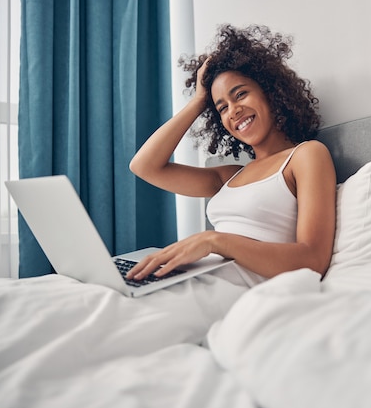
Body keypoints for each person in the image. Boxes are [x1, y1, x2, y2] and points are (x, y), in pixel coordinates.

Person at [127, 24, 336, 287]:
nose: (233, 111)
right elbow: (144, 166)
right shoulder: (228, 176)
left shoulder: (305, 156)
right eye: (222, 107)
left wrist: (213, 240)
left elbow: (313, 259)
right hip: (196, 279)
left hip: (234, 291)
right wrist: (199, 102)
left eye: (240, 94)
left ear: (271, 93)